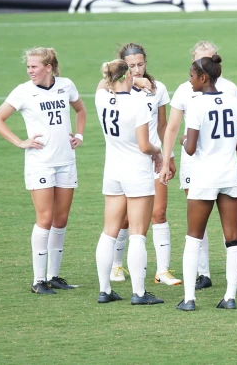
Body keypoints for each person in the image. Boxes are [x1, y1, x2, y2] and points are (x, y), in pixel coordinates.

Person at [159, 41, 237, 290]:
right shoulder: (232, 101)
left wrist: (184, 141)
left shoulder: (200, 102)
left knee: (194, 233)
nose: (190, 78)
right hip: (227, 173)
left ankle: (189, 297)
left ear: (203, 75)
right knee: (235, 235)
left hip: (203, 173)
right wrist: (224, 145)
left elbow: (190, 146)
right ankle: (229, 294)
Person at [0, 47, 87, 295]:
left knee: (61, 220)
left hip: (66, 161)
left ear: (49, 67)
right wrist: (20, 142)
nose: (30, 71)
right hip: (40, 163)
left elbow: (80, 110)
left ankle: (54, 276)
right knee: (44, 219)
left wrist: (78, 135)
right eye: (28, 67)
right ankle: (38, 280)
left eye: (34, 66)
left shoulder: (66, 85)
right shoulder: (23, 91)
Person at [108, 43, 181, 287]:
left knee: (159, 213)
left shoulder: (158, 88)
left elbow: (162, 126)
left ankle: (162, 271)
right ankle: (117, 265)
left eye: (141, 64)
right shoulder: (113, 90)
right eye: (131, 66)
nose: (137, 70)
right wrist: (133, 83)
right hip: (127, 161)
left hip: (154, 159)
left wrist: (168, 157)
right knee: (126, 219)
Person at [94, 59, 164, 305]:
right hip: (136, 173)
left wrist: (119, 75)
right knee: (137, 235)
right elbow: (145, 145)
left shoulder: (102, 99)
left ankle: (104, 290)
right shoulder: (138, 104)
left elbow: (102, 84)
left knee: (109, 232)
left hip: (112, 172)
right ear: (126, 77)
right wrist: (159, 152)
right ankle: (139, 293)